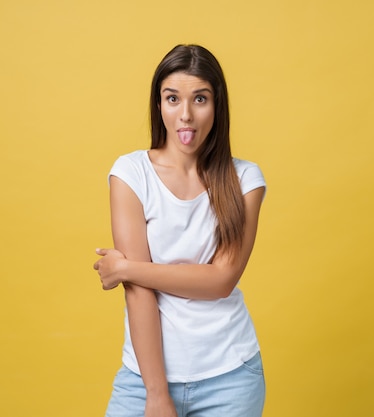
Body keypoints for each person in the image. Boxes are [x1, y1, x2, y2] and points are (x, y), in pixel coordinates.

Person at [93, 44, 266, 417]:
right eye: (173, 99)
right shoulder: (131, 174)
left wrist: (125, 268)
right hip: (143, 380)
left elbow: (221, 280)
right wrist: (156, 394)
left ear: (217, 105)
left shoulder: (245, 180)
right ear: (159, 104)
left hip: (231, 377)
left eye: (199, 99)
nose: (185, 115)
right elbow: (139, 294)